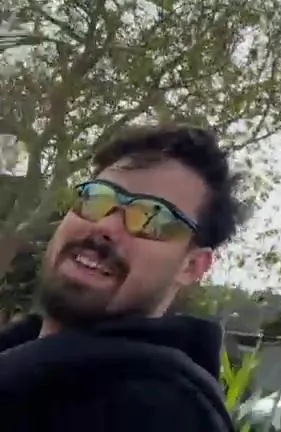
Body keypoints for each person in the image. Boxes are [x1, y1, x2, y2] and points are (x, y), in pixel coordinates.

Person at [0, 124, 246, 431]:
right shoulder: (17, 361)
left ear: (192, 266)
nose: (105, 226)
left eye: (152, 217)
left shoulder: (160, 413)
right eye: (96, 198)